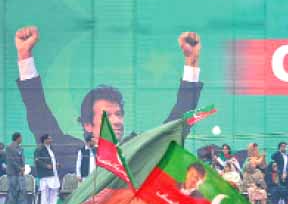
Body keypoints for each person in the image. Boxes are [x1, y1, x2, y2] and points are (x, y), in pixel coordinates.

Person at [15, 26, 203, 178]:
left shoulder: (137, 150)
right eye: (107, 115)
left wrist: (191, 62)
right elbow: (37, 110)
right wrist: (24, 56)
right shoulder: (69, 150)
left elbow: (176, 127)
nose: (116, 120)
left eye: (119, 114)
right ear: (88, 124)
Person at [34, 133, 60, 204]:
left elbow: (53, 159)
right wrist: (46, 166)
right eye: (49, 138)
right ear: (45, 140)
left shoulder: (51, 148)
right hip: (45, 174)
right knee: (45, 190)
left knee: (54, 190)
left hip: (53, 173)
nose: (51, 140)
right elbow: (37, 160)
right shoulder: (39, 149)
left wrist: (57, 164)